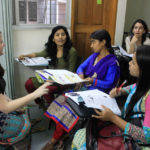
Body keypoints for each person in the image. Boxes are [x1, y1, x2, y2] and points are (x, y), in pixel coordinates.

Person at [42, 29, 120, 150]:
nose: (91, 45)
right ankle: (62, 136)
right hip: (84, 89)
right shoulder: (94, 56)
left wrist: (92, 81)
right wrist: (81, 74)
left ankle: (54, 141)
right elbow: (80, 67)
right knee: (62, 100)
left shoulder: (112, 62)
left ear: (103, 42)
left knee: (67, 108)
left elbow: (109, 83)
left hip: (96, 95)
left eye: (93, 42)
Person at [72, 45, 150, 150]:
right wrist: (120, 91)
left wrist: (113, 118)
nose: (129, 63)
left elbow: (146, 137)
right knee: (83, 134)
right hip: (126, 126)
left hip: (135, 143)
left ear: (144, 69)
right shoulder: (143, 82)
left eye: (134, 62)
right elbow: (133, 87)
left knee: (86, 141)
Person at [0, 32, 50, 149]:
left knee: (23, 113)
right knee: (25, 126)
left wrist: (14, 104)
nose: (4, 44)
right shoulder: (50, 48)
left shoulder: (71, 52)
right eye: (1, 42)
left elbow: (1, 95)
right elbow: (5, 107)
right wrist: (35, 94)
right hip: (2, 109)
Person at [18, 25, 77, 105]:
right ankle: (40, 103)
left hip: (65, 81)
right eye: (57, 35)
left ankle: (52, 111)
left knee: (46, 89)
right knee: (29, 83)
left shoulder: (72, 51)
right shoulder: (52, 49)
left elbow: (71, 73)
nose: (60, 37)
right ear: (53, 38)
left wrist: (54, 81)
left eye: (63, 34)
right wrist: (24, 56)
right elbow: (37, 54)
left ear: (66, 37)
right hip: (52, 78)